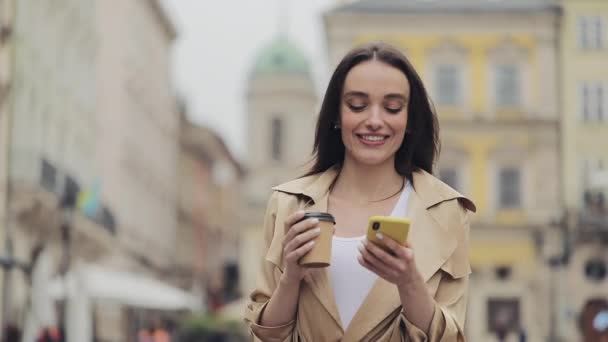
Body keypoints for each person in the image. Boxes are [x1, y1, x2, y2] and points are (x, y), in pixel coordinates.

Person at [244, 42, 476, 341]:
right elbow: (265, 336)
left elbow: (453, 336)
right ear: (337, 117)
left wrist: (409, 284)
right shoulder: (289, 204)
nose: (375, 121)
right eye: (357, 105)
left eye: (392, 107)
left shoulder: (446, 211)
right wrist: (290, 279)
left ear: (408, 121)